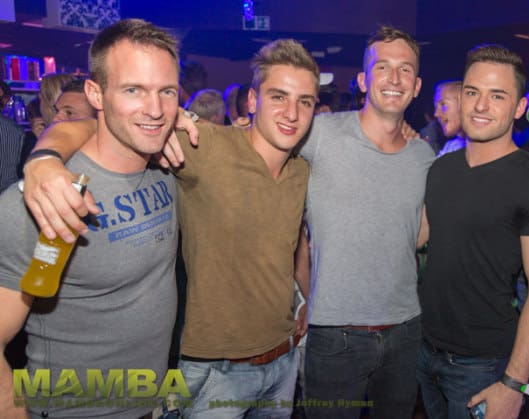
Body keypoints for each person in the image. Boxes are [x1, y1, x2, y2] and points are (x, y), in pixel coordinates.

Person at [21, 38, 320, 419]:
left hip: (284, 360)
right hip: (216, 372)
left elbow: (292, 244)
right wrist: (45, 158)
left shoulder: (301, 170)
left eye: (305, 102)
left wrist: (304, 300)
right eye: (278, 96)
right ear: (252, 100)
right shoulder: (203, 145)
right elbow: (105, 126)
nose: (292, 112)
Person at [0, 18, 181, 419]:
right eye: (133, 90)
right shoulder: (45, 200)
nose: (155, 110)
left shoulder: (168, 166)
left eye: (166, 91)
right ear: (96, 94)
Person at [416, 44, 529, 419]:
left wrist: (514, 383)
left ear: (519, 107)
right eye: (472, 92)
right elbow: (415, 240)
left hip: (483, 364)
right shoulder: (442, 169)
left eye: (497, 96)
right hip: (424, 350)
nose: (480, 106)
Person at [300, 25, 434, 419]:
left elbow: (418, 235)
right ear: (362, 80)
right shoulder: (320, 134)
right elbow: (260, 146)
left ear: (417, 86)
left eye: (405, 69)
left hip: (405, 333)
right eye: (382, 67)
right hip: (335, 336)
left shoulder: (423, 156)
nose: (394, 78)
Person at [432, 79, 469, 156]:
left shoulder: (486, 147)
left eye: (443, 105)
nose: (436, 114)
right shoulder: (451, 147)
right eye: (435, 107)